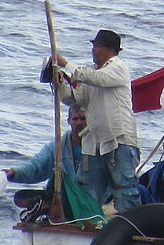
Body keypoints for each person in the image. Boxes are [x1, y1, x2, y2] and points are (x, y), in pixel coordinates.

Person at [54, 29, 140, 212]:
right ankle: (88, 224)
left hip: (120, 140)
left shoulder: (118, 67)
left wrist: (66, 64)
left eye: (97, 46)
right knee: (88, 189)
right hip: (95, 143)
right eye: (93, 46)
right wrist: (59, 82)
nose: (93, 50)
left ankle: (134, 228)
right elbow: (76, 100)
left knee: (124, 189)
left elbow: (98, 79)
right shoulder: (91, 73)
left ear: (110, 49)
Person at [3, 105, 88, 191]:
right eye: (75, 119)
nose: (79, 123)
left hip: (92, 200)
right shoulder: (56, 147)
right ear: (69, 121)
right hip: (62, 197)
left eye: (83, 119)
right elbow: (36, 167)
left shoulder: (99, 148)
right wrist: (14, 173)